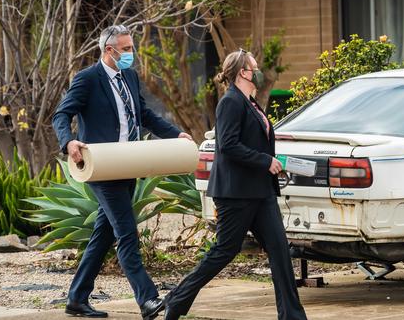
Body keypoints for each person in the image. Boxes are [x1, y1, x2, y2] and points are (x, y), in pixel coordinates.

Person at [52, 24, 192, 319]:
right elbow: (62, 114)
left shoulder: (128, 75)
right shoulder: (88, 79)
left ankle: (76, 298)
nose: (131, 54)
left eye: (132, 48)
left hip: (129, 164)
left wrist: (175, 134)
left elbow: (144, 115)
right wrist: (68, 142)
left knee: (103, 234)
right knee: (127, 233)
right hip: (102, 168)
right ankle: (148, 300)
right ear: (108, 50)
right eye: (126, 49)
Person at [162, 49, 308, 320]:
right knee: (224, 251)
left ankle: (292, 316)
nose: (258, 70)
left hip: (260, 192)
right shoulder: (230, 102)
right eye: (254, 66)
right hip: (236, 194)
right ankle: (176, 300)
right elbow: (227, 145)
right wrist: (265, 161)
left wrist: (269, 161)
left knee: (280, 251)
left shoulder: (249, 102)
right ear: (243, 72)